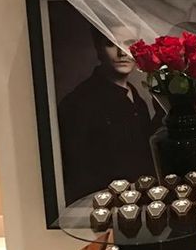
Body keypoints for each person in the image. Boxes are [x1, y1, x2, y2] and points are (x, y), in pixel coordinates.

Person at [58, 23, 153, 204]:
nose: (122, 53)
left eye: (129, 44)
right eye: (111, 44)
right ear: (98, 48)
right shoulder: (78, 103)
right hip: (105, 209)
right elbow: (76, 173)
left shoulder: (137, 98)